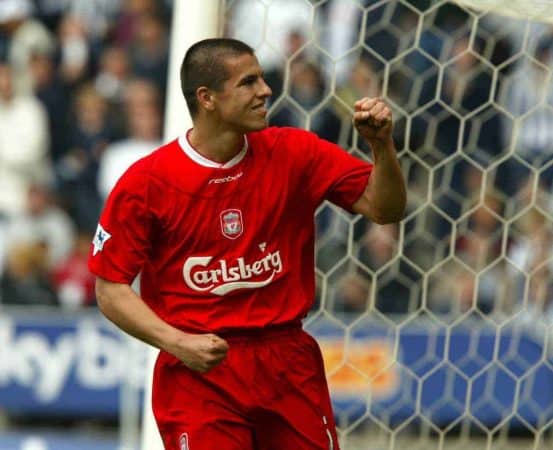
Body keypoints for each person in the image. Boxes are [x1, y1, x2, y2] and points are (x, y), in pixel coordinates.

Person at [88, 38, 406, 450]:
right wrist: (177, 342)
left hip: (287, 362)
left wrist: (382, 147)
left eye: (262, 78)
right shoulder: (147, 183)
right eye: (248, 82)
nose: (265, 90)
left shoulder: (295, 152)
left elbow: (385, 210)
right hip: (201, 371)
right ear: (207, 99)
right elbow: (110, 289)